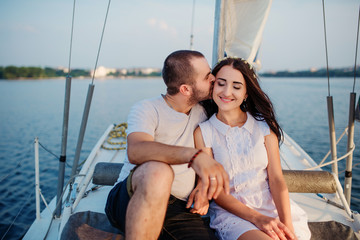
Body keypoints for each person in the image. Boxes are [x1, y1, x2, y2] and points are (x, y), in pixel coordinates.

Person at [105, 50, 230, 240]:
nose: (214, 78)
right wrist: (194, 156)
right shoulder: (147, 109)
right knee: (159, 171)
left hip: (181, 208)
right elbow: (136, 150)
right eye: (207, 77)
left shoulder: (205, 111)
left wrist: (203, 185)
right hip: (133, 198)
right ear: (185, 89)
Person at [194, 57, 311, 240]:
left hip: (270, 205)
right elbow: (215, 190)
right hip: (233, 213)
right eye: (221, 84)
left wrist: (287, 225)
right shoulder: (204, 132)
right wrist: (257, 218)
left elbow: (276, 179)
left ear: (246, 93)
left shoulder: (264, 126)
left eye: (236, 86)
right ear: (212, 86)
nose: (227, 92)